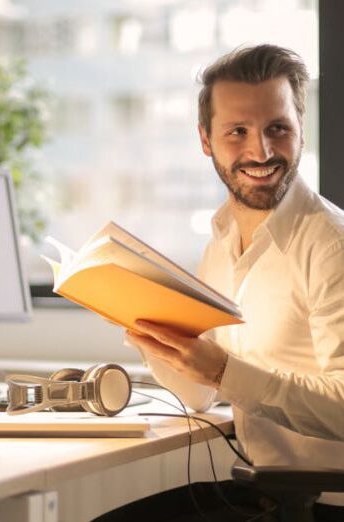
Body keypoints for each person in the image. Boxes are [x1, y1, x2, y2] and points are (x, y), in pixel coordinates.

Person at [100, 44, 344, 521]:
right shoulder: (221, 241)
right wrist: (150, 333)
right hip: (264, 491)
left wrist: (223, 371)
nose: (261, 151)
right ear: (206, 140)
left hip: (322, 502)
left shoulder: (331, 244)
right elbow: (198, 396)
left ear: (300, 131)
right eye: (237, 132)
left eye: (278, 129)